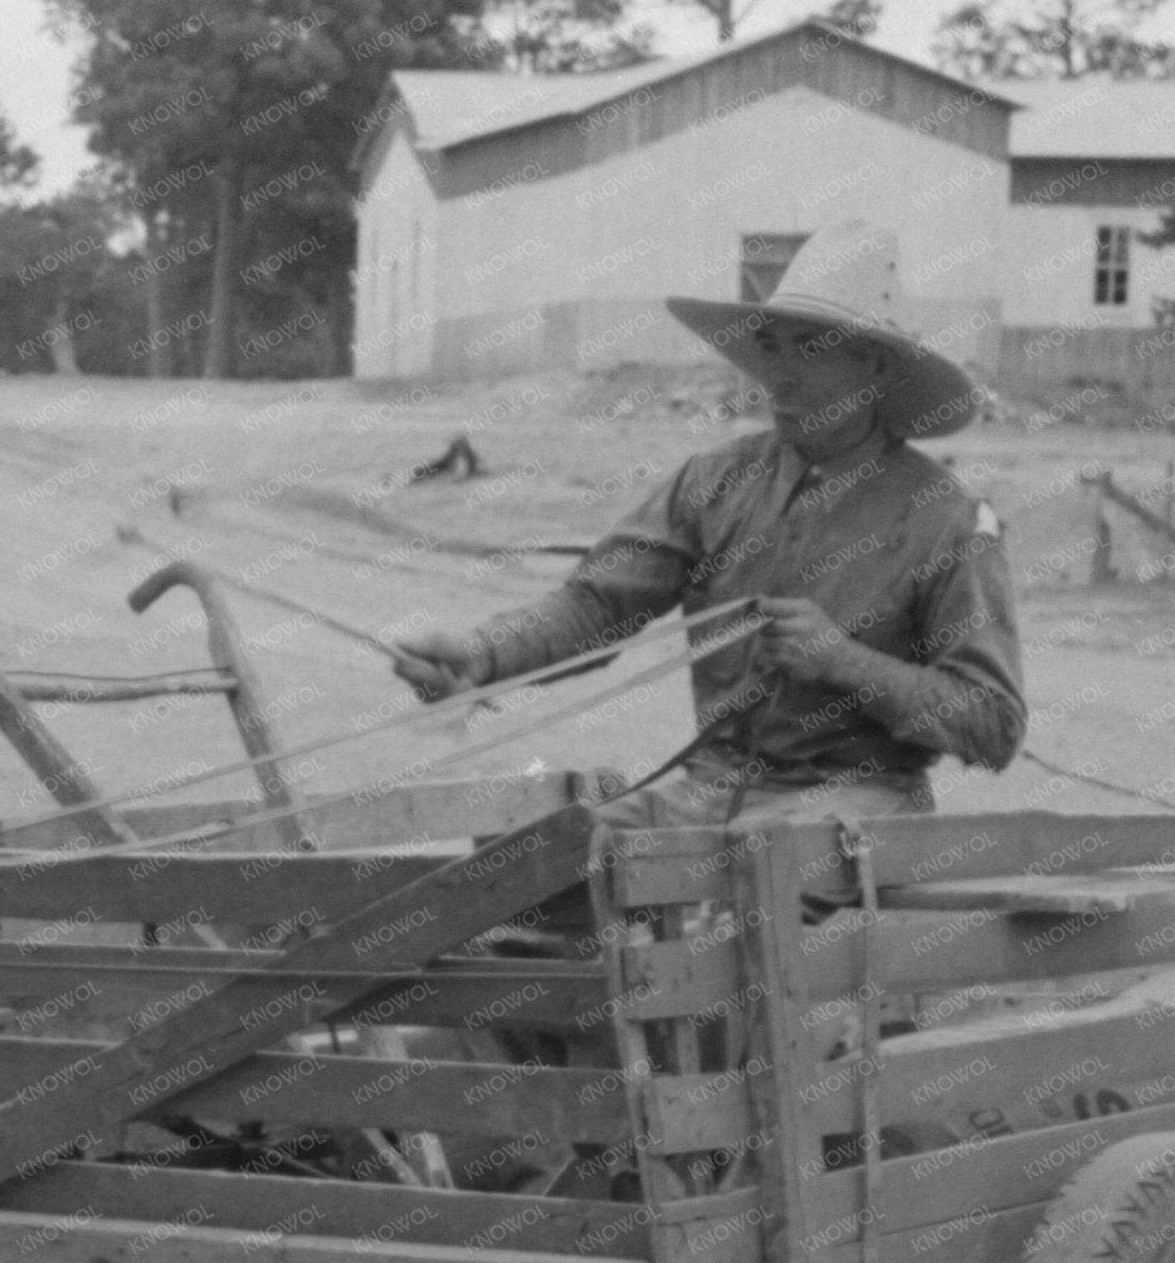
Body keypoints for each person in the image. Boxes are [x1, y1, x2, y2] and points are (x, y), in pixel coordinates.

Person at [390, 221, 1024, 832]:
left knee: (744, 869)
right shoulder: (715, 481)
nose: (779, 372)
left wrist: (845, 662)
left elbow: (994, 725)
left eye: (810, 348)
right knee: (534, 858)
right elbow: (597, 606)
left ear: (876, 367)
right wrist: (481, 655)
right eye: (771, 346)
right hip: (711, 793)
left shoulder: (948, 521)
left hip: (858, 804)